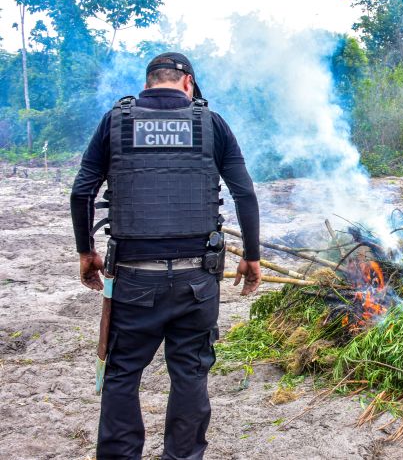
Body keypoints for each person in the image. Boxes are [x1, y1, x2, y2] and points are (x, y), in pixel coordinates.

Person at [70, 52, 263, 459]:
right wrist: (252, 255)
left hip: (134, 279)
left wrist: (86, 252)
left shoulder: (115, 121)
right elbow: (244, 192)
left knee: (122, 374)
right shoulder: (211, 123)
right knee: (191, 375)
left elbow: (81, 192)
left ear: (149, 81)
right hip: (198, 279)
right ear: (188, 82)